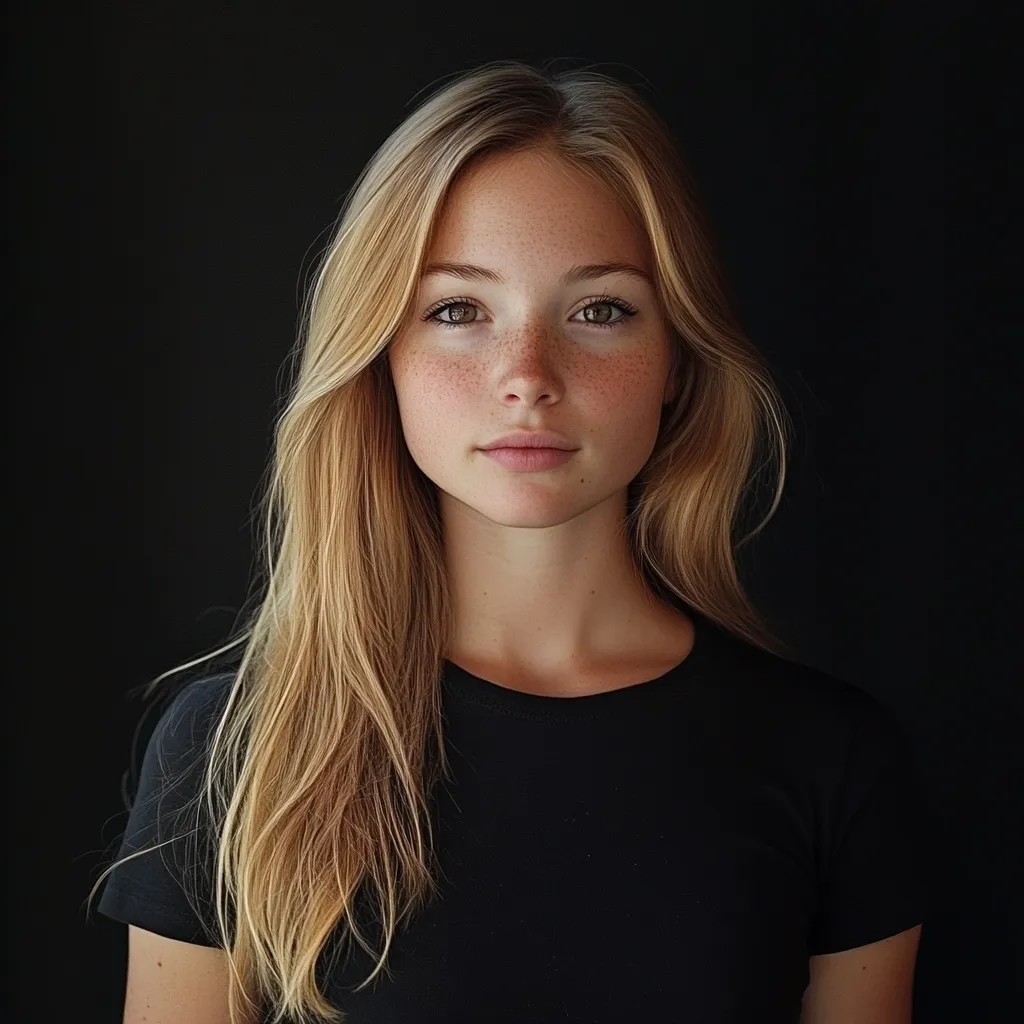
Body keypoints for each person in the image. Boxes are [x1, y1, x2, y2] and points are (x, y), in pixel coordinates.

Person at [87, 59, 932, 1024]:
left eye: (600, 310)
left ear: (676, 361)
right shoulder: (237, 753)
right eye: (458, 311)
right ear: (382, 357)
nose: (527, 375)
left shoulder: (830, 760)